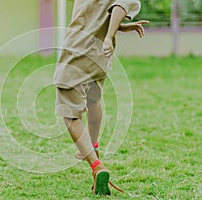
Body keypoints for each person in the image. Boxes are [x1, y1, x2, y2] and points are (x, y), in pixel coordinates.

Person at [54, 0, 149, 195]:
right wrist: (119, 28)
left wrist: (109, 35)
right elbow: (99, 12)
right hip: (98, 57)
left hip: (78, 52)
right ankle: (92, 147)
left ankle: (97, 166)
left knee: (70, 115)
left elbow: (121, 4)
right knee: (93, 100)